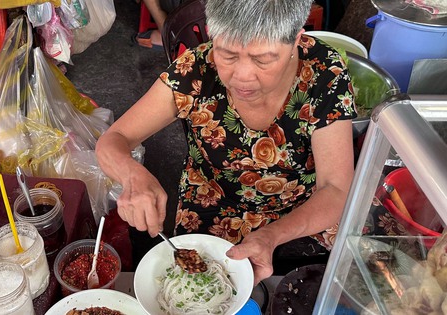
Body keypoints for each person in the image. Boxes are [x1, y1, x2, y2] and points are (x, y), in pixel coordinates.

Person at [96, 0, 357, 285]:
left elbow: (336, 189)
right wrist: (132, 175)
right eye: (228, 54)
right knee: (197, 288)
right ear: (212, 35)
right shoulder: (196, 68)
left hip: (303, 205)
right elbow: (113, 140)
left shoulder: (324, 73)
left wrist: (271, 235)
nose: (242, 77)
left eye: (263, 59)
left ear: (296, 39)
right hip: (215, 199)